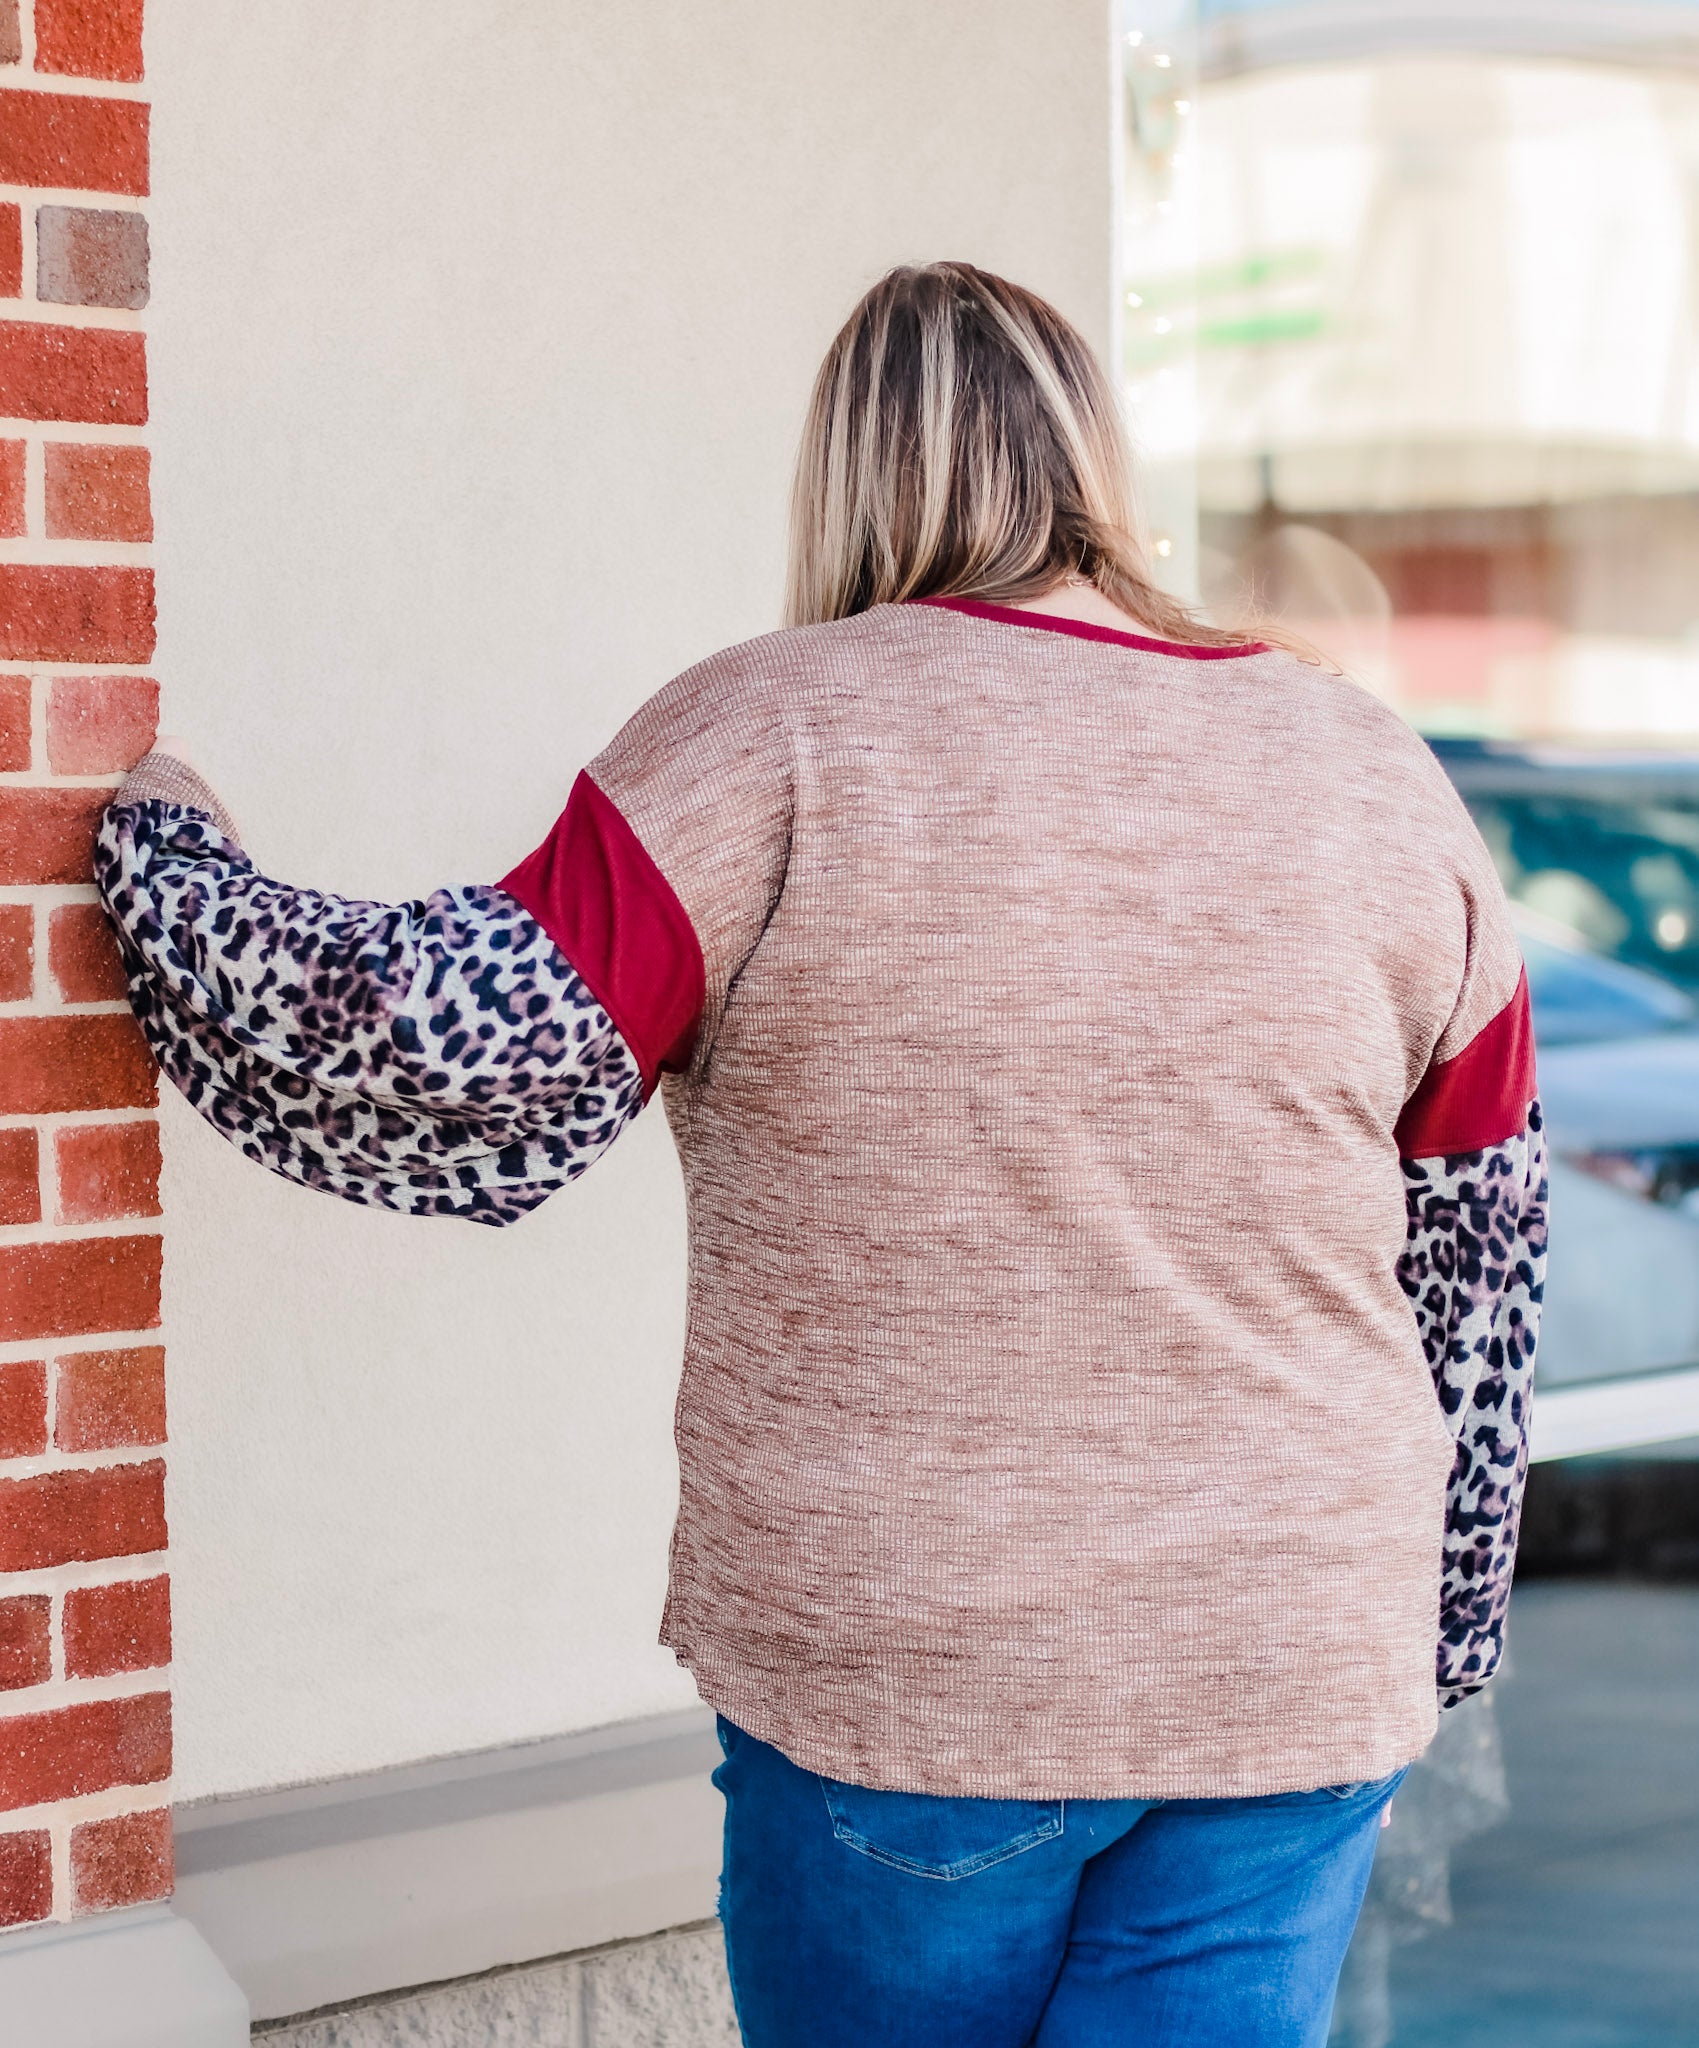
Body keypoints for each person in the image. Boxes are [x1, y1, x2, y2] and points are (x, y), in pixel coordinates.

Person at [96, 262, 1546, 2048]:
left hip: (921, 1680)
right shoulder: (1378, 772)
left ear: (852, 469)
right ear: (1094, 460)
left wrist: (168, 861)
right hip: (1293, 1671)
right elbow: (1482, 1269)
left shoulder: (771, 732)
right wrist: (1441, 1639)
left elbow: (454, 1055)